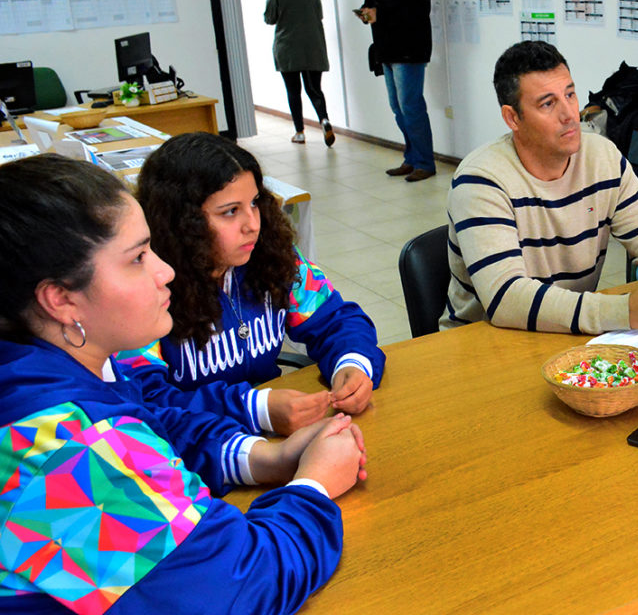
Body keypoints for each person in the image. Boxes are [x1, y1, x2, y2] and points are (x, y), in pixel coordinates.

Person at [0, 154, 368, 614]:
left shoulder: (56, 367)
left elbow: (156, 425)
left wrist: (268, 458)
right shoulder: (61, 444)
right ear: (61, 299)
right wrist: (314, 485)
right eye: (137, 258)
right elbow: (241, 586)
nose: (164, 271)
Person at [443, 41, 638, 333]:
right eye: (548, 104)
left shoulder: (603, 156)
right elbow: (506, 299)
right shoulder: (481, 180)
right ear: (513, 118)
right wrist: (621, 310)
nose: (569, 115)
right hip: (483, 341)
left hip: (566, 333)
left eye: (570, 94)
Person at [115, 133, 385, 436]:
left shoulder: (273, 256)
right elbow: (144, 401)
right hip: (198, 455)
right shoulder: (148, 290)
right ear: (182, 222)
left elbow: (336, 319)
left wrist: (352, 363)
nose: (253, 224)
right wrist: (254, 409)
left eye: (254, 203)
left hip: (279, 437)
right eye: (230, 211)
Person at [359, 0, 436, 182]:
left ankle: (424, 163)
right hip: (387, 50)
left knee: (410, 106)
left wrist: (378, 13)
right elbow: (369, 6)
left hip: (408, 50)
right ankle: (411, 158)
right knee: (397, 107)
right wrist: (367, 13)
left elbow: (412, 10)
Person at [265, 0, 335, 147]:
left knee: (293, 91)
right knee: (314, 89)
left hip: (288, 47)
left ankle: (299, 132)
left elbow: (269, 18)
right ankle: (324, 120)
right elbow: (319, 14)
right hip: (313, 47)